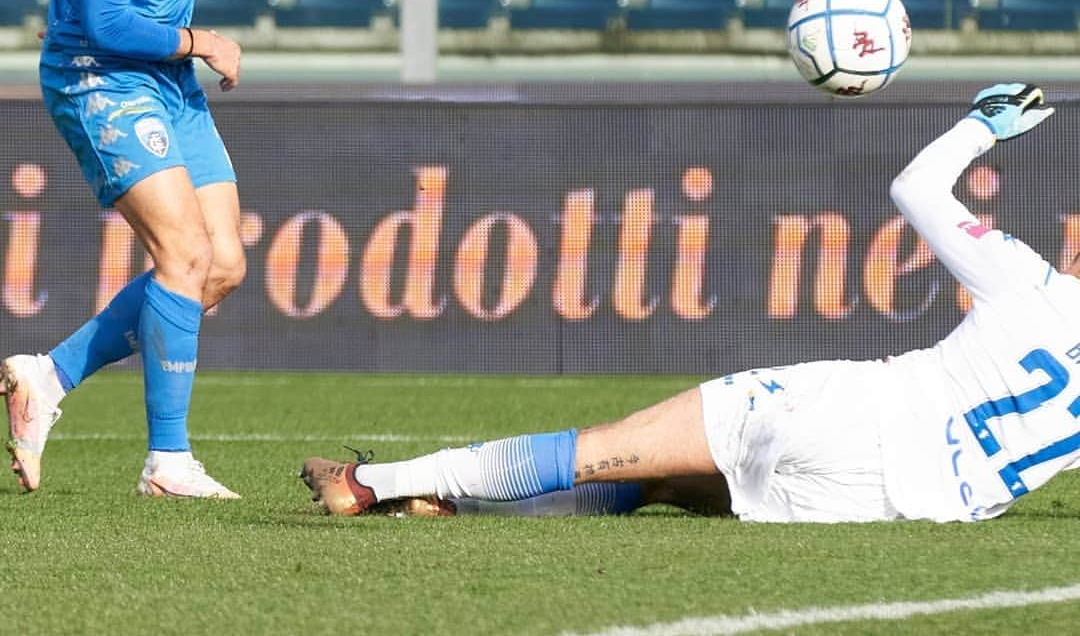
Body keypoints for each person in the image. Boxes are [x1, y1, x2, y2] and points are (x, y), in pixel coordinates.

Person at [302, 83, 1080, 524]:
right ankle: (445, 505)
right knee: (659, 482)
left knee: (597, 446)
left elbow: (914, 186)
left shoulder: (1034, 282)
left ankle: (373, 483)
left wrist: (983, 125)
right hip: (899, 507)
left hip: (862, 412)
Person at [2, 0, 266, 499]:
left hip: (161, 72)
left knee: (221, 267)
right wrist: (200, 39)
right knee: (181, 255)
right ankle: (168, 462)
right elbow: (109, 16)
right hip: (100, 71)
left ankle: (46, 378)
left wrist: (177, 46)